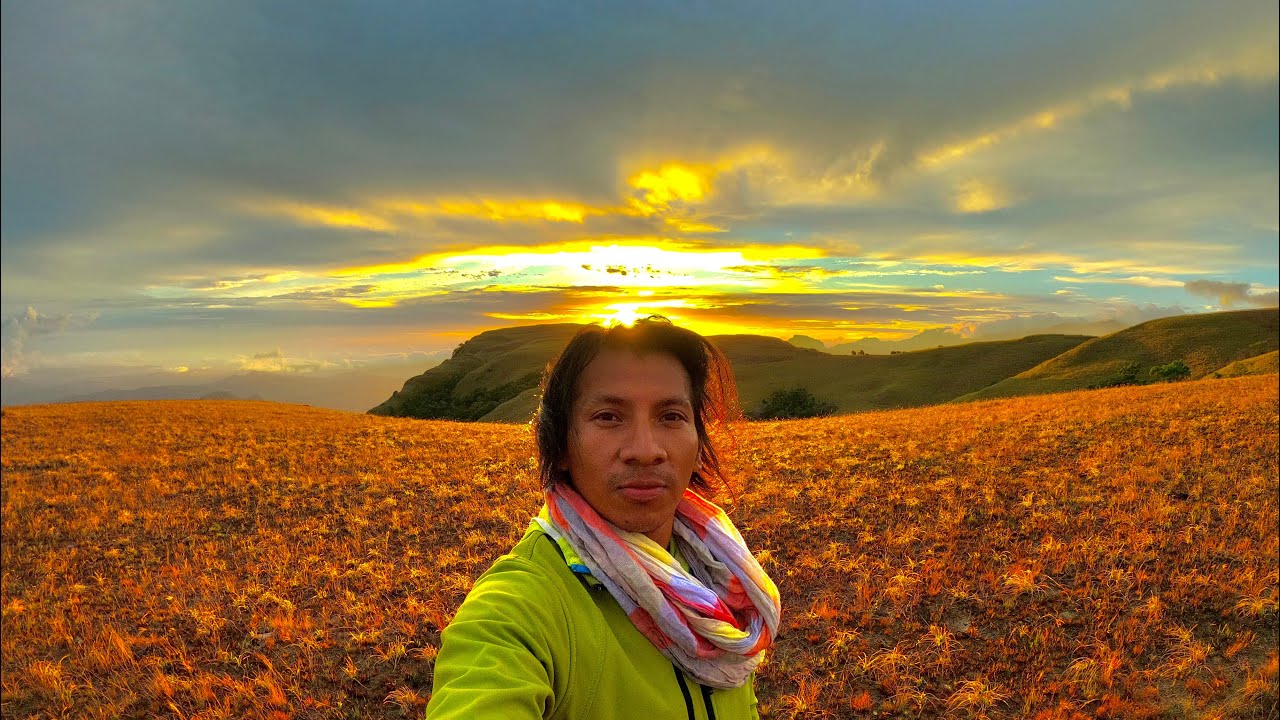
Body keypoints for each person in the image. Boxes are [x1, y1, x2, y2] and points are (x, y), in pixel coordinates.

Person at [426, 316, 782, 719]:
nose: (646, 450)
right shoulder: (522, 605)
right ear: (560, 445)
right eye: (609, 417)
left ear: (698, 443)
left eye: (670, 417)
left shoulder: (718, 573)